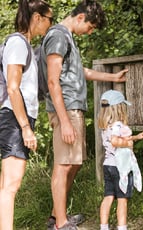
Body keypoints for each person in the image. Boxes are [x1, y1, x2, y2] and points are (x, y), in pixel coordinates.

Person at [40, 1, 128, 229]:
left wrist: (113, 78)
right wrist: (65, 122)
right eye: (90, 27)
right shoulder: (58, 36)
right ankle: (60, 223)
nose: (90, 32)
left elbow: (81, 73)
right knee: (64, 164)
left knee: (74, 162)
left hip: (73, 109)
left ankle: (55, 216)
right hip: (65, 109)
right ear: (80, 18)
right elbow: (52, 80)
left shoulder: (67, 38)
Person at [0, 1, 53, 230]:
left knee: (6, 184)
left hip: (16, 117)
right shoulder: (18, 43)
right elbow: (13, 87)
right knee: (12, 184)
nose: (51, 25)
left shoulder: (26, 46)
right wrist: (25, 127)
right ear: (38, 17)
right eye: (50, 19)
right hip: (14, 118)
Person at [98, 90, 143, 230]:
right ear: (119, 108)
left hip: (108, 165)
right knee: (122, 199)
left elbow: (115, 138)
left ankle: (104, 227)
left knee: (108, 196)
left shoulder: (106, 126)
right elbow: (115, 141)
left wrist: (135, 138)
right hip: (120, 167)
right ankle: (122, 227)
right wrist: (128, 144)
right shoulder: (118, 125)